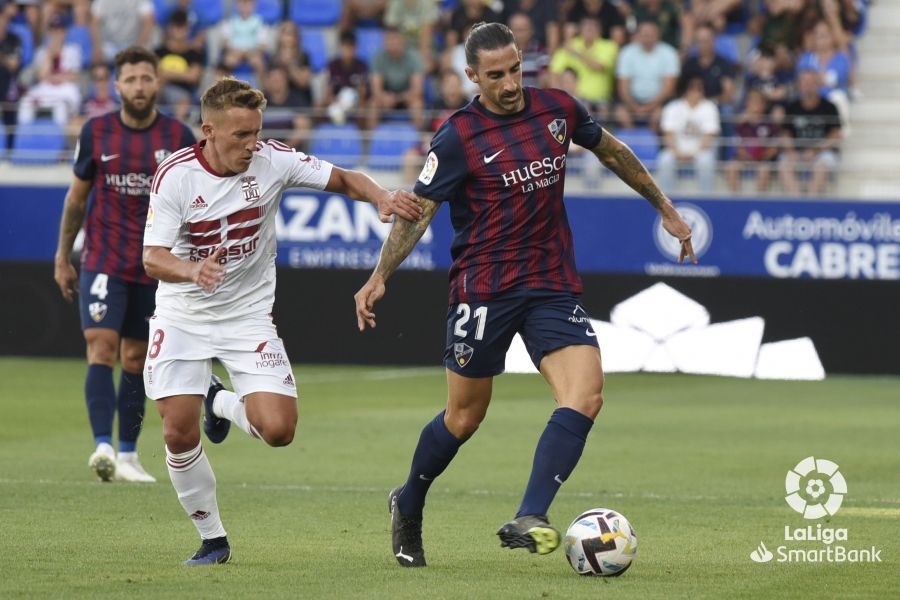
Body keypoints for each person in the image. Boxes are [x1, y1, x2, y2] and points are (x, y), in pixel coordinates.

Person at [353, 22, 696, 568]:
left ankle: (530, 513)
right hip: (483, 288)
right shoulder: (457, 136)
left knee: (585, 395)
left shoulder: (557, 109)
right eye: (496, 75)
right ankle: (409, 500)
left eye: (515, 69)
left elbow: (612, 150)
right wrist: (379, 276)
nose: (510, 83)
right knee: (464, 417)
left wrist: (667, 209)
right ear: (472, 76)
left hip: (551, 283)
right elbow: (418, 214)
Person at [141, 77, 422, 566]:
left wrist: (379, 196)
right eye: (239, 136)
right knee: (177, 433)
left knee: (279, 430)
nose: (251, 145)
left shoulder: (273, 158)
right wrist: (192, 269)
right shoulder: (175, 176)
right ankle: (213, 540)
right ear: (208, 130)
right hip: (184, 313)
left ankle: (220, 401)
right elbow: (152, 258)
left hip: (247, 315)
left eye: (256, 133)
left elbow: (343, 178)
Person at [53, 47, 196, 483]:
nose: (138, 86)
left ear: (157, 83)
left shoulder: (178, 138)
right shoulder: (96, 132)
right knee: (101, 345)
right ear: (116, 86)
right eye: (130, 79)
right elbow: (77, 198)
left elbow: (195, 202)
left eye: (146, 79)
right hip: (103, 260)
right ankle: (102, 447)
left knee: (136, 357)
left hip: (154, 266)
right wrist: (63, 257)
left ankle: (129, 456)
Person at [778, 68, 841, 196]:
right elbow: (785, 133)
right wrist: (791, 151)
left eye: (811, 82)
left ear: (817, 84)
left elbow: (835, 135)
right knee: (784, 165)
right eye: (804, 82)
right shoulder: (792, 107)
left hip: (822, 153)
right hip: (797, 152)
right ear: (800, 85)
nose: (807, 86)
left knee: (821, 167)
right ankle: (797, 200)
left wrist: (816, 150)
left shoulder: (829, 107)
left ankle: (812, 200)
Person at [656, 76, 721, 194]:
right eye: (692, 89)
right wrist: (677, 152)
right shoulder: (673, 107)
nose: (696, 92)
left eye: (699, 89)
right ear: (686, 90)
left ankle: (706, 197)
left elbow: (709, 135)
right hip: (677, 149)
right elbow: (668, 133)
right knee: (665, 160)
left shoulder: (709, 107)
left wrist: (694, 152)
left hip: (701, 150)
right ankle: (666, 198)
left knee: (705, 161)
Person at [614, 20, 679, 130]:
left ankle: (651, 142)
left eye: (650, 34)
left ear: (658, 35)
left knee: (660, 114)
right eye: (644, 34)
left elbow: (668, 88)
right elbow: (623, 87)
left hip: (659, 102)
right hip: (631, 101)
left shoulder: (669, 53)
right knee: (620, 112)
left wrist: (649, 107)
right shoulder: (627, 52)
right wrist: (634, 106)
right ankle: (632, 139)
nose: (647, 37)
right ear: (638, 35)